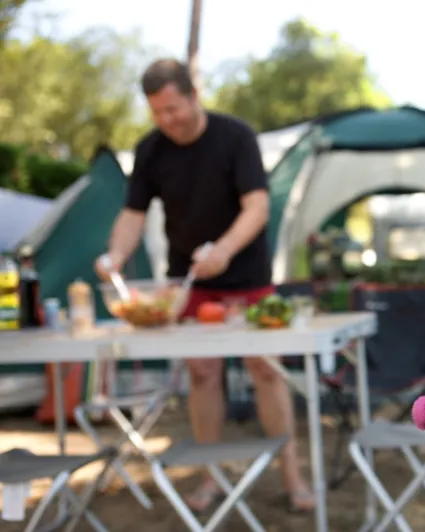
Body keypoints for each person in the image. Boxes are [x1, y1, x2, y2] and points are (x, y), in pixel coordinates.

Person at [94, 58, 315, 513]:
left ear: (193, 96)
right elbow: (132, 216)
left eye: (173, 108)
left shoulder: (235, 136)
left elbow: (256, 208)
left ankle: (292, 476)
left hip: (248, 277)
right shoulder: (150, 150)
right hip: (189, 283)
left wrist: (225, 252)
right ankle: (211, 477)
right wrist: (115, 255)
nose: (167, 120)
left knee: (267, 371)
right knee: (202, 374)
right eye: (157, 112)